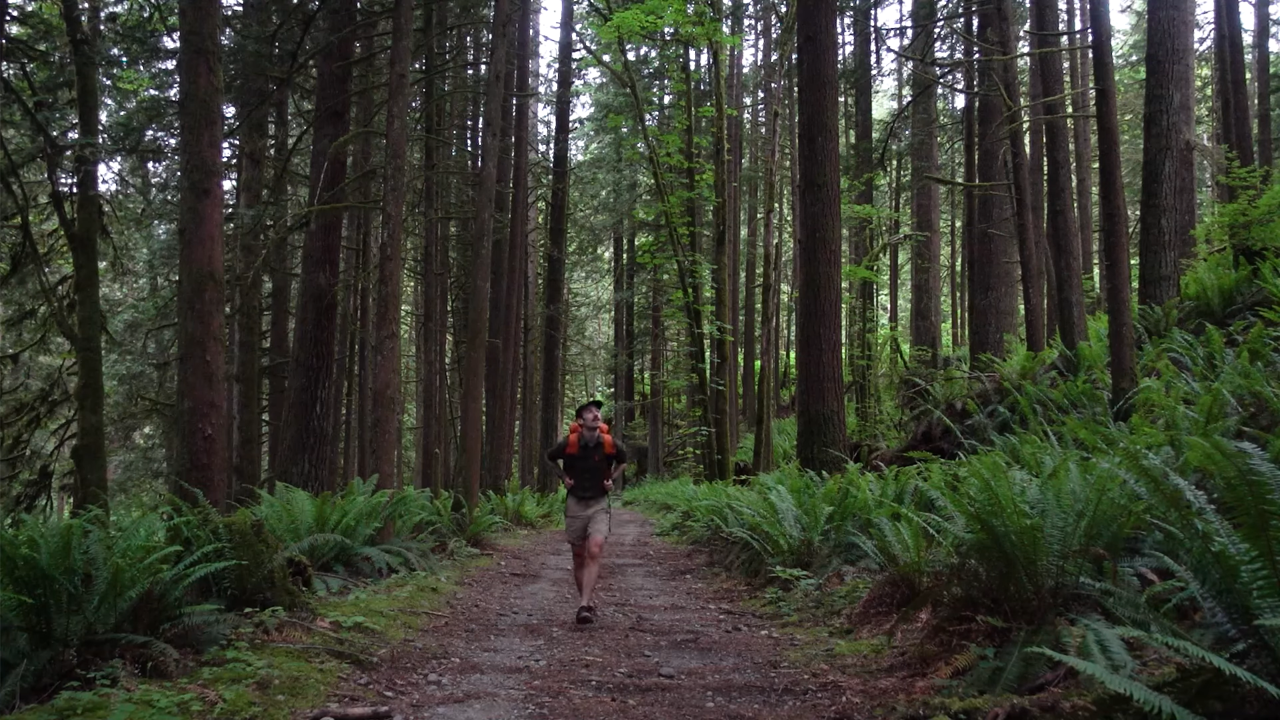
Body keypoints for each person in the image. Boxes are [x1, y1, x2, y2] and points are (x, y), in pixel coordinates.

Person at [545, 399, 627, 625]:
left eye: (597, 411)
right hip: (575, 503)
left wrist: (613, 480)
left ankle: (583, 605)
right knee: (579, 555)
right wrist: (563, 477)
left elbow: (623, 461)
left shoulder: (610, 443)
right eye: (590, 412)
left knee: (595, 547)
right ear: (580, 420)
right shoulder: (569, 443)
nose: (595, 414)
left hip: (599, 503)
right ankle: (587, 602)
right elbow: (550, 458)